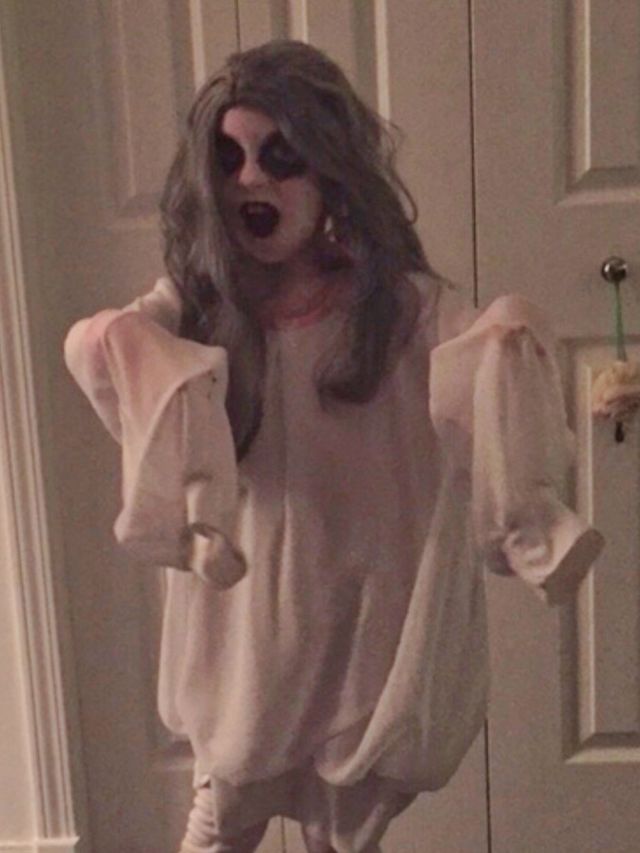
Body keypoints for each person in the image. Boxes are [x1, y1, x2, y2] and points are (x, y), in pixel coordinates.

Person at [64, 40, 604, 853]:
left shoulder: (394, 303)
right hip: (250, 615)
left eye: (280, 157)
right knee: (222, 815)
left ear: (330, 168)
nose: (252, 179)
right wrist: (140, 350)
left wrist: (507, 337)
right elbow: (100, 349)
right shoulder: (204, 300)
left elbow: (475, 361)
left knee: (341, 829)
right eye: (230, 159)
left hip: (358, 608)